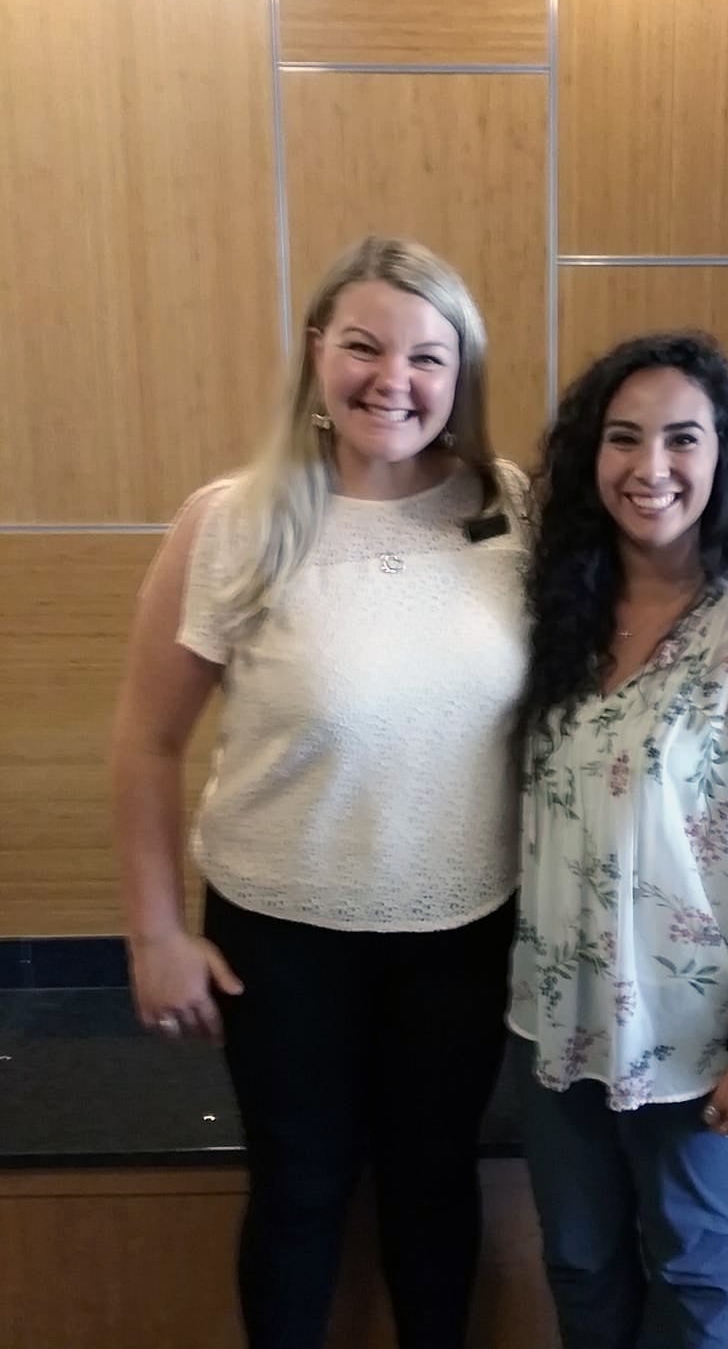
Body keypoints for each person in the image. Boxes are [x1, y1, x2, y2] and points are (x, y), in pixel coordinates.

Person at [112, 236, 529, 1349]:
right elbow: (147, 743)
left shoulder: (510, 512)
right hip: (280, 938)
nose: (393, 379)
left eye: (427, 356)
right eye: (363, 346)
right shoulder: (232, 521)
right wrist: (153, 932)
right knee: (299, 1197)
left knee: (432, 1188)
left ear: (461, 375)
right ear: (316, 354)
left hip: (462, 932)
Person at [508, 330, 728, 1349]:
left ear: (720, 460)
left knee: (688, 1268)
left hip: (696, 1035)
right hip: (553, 1021)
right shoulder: (552, 617)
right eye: (623, 439)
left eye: (682, 440)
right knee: (578, 1260)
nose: (650, 467)